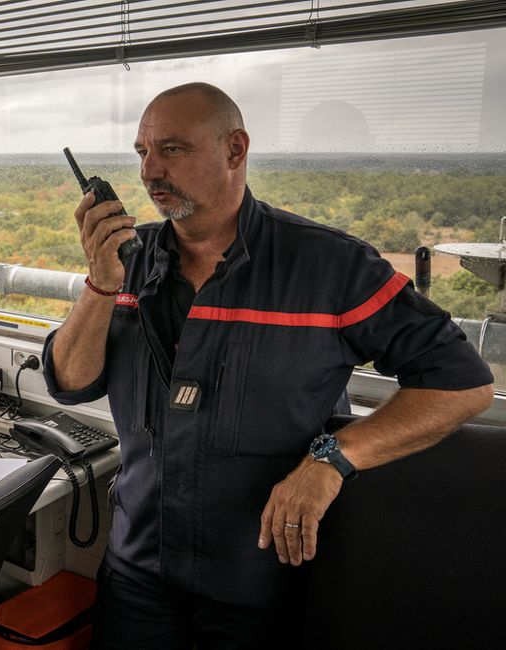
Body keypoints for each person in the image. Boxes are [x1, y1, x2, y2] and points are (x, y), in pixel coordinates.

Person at [41, 83, 494, 649]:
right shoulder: (125, 263)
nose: (150, 171)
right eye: (142, 152)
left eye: (173, 150)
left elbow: (462, 384)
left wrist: (332, 460)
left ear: (235, 149)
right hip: (139, 573)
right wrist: (100, 284)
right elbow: (70, 382)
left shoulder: (329, 267)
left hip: (261, 585)